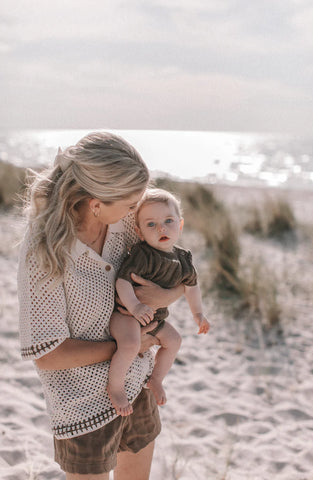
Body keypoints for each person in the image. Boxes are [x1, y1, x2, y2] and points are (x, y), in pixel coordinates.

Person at [17, 132, 185, 480]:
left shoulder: (123, 221)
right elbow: (48, 354)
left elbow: (173, 268)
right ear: (96, 203)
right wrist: (128, 346)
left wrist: (167, 297)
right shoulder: (44, 252)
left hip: (137, 385)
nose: (136, 211)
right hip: (81, 405)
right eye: (129, 204)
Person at [107, 188, 210, 416]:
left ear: (180, 225)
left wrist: (198, 315)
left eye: (168, 221)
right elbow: (123, 283)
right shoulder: (142, 254)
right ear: (140, 232)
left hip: (155, 316)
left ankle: (156, 379)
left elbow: (191, 288)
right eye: (151, 224)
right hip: (126, 314)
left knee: (174, 340)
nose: (161, 228)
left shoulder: (183, 259)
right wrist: (134, 306)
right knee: (131, 345)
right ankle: (115, 388)